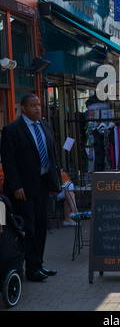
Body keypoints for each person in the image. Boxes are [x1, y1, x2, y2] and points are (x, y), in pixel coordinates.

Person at [1, 93, 62, 281]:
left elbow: (52, 155)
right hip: (23, 189)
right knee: (29, 227)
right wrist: (16, 185)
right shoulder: (12, 130)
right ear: (24, 108)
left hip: (43, 184)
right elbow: (8, 162)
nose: (38, 108)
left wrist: (55, 183)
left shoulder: (45, 126)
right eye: (34, 105)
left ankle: (38, 264)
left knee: (42, 225)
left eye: (39, 105)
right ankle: (30, 269)